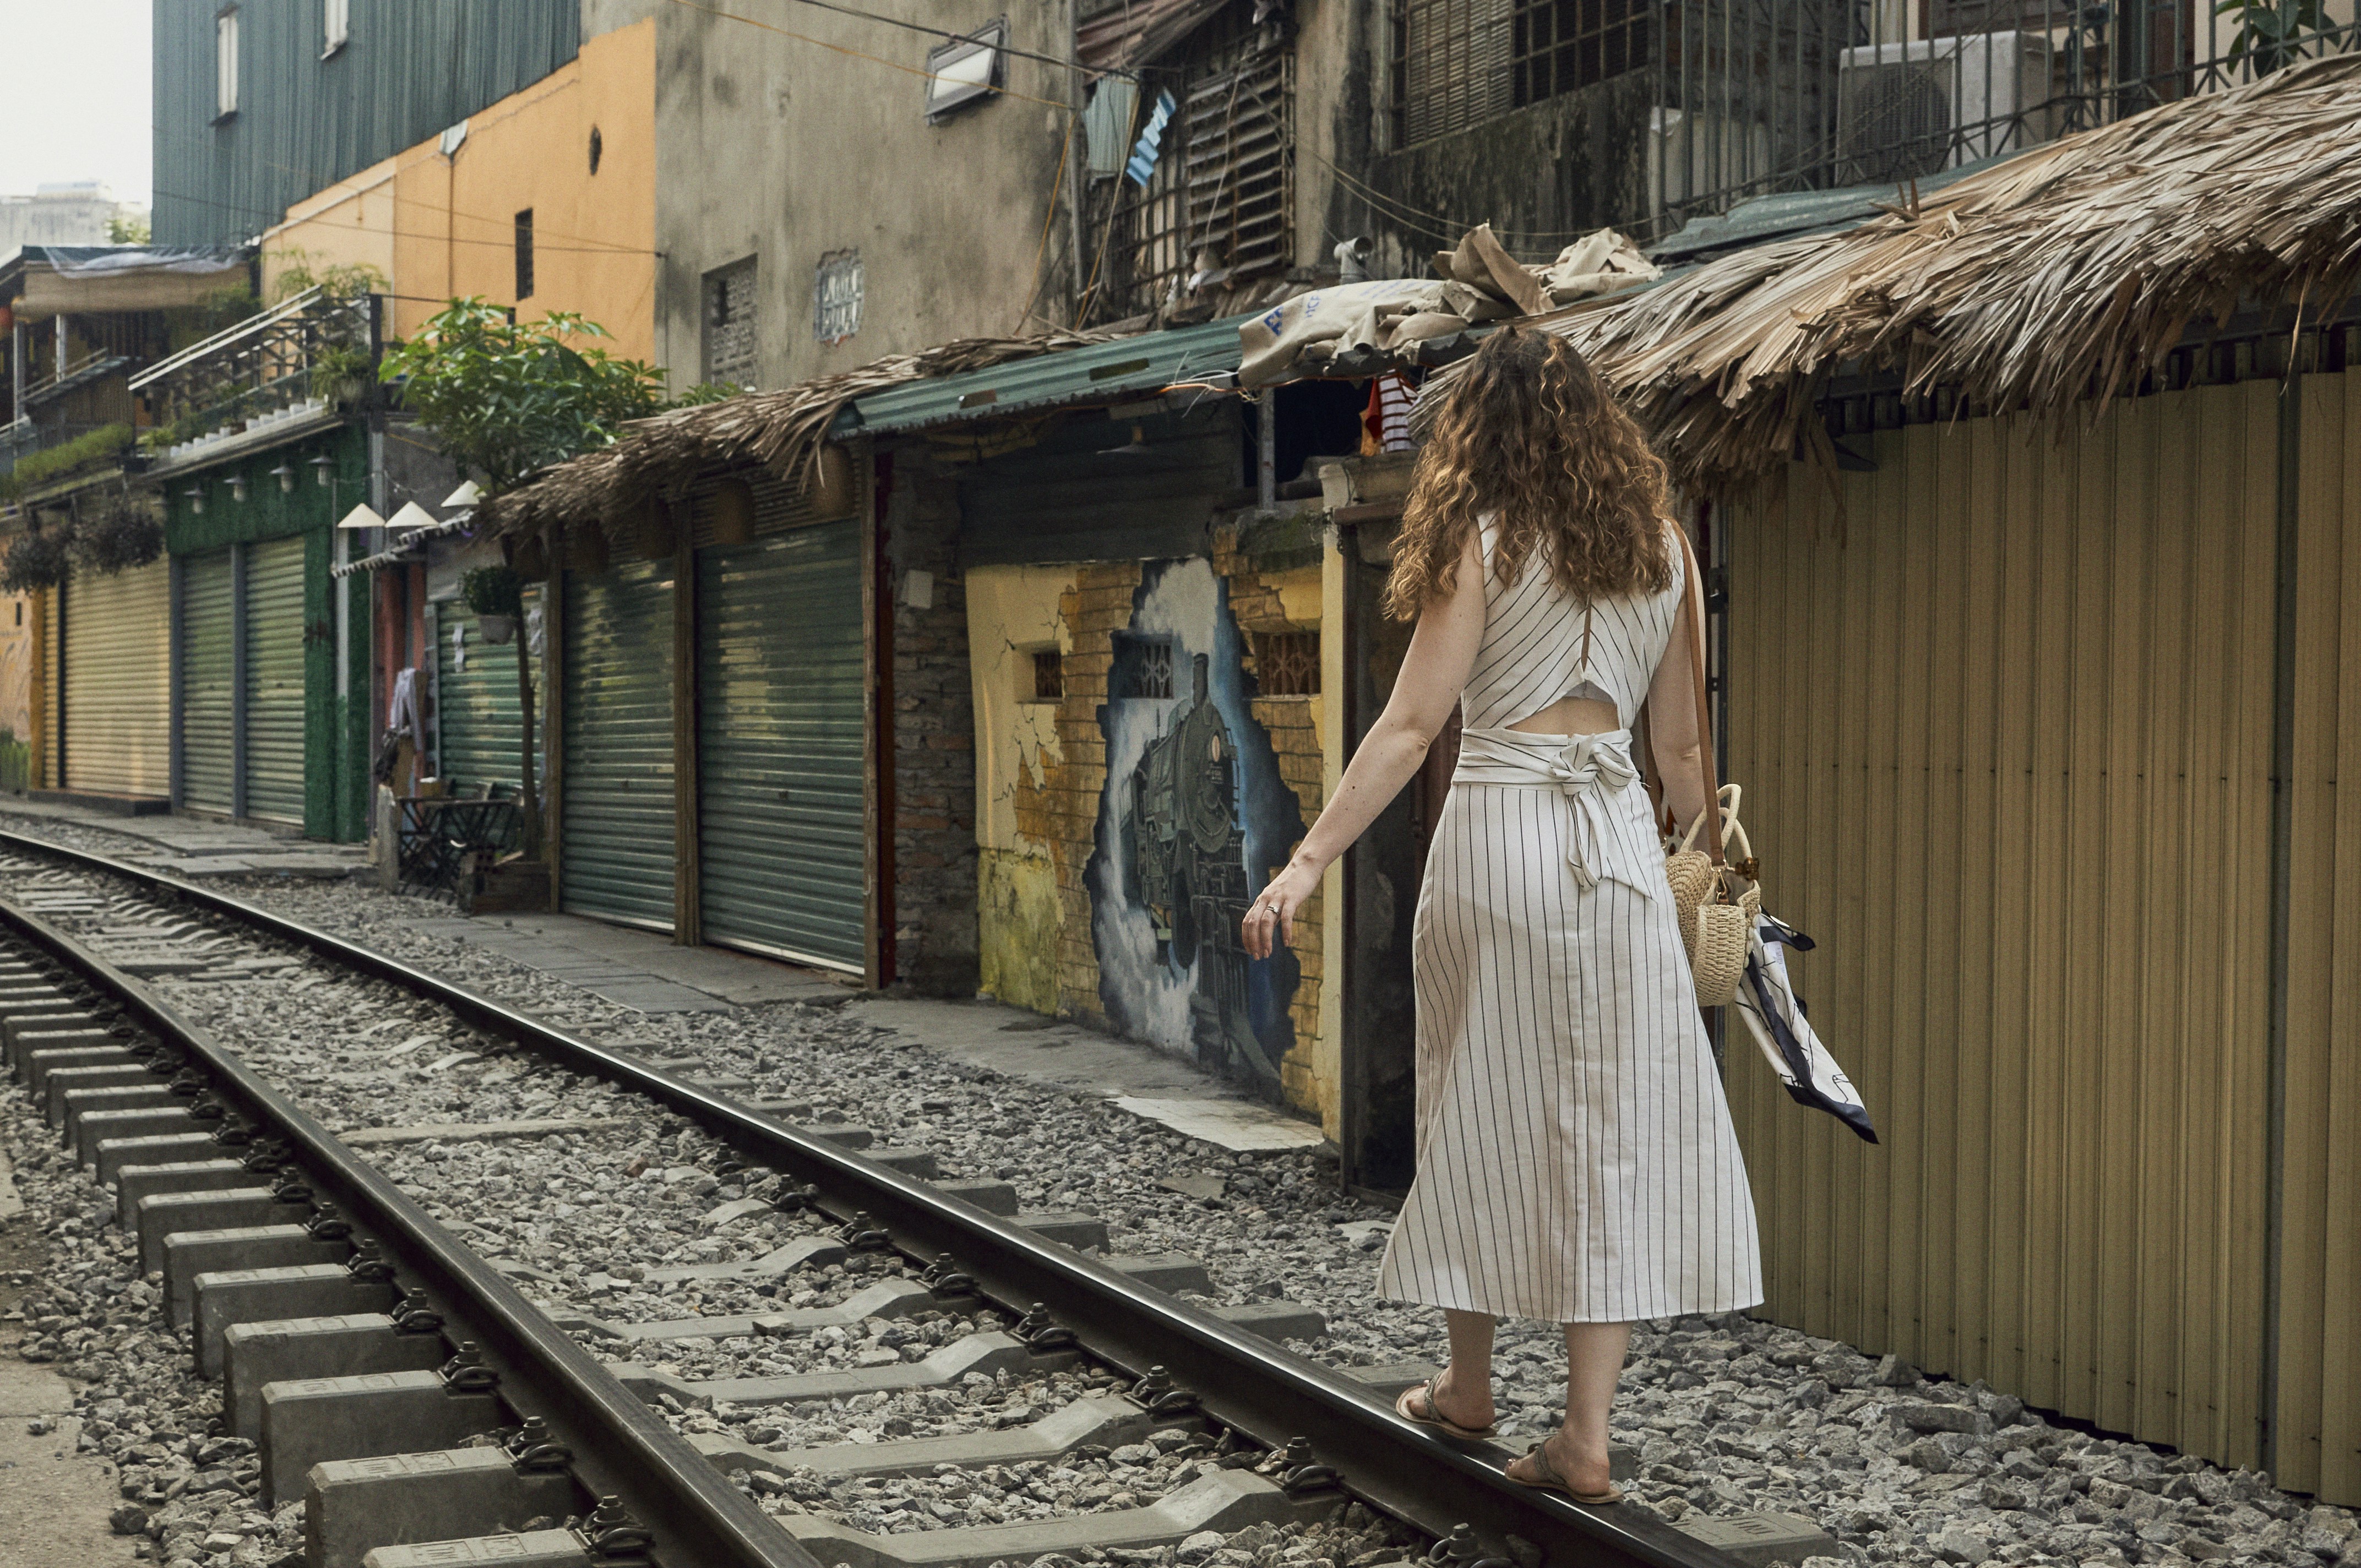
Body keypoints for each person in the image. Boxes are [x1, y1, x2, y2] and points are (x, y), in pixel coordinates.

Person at [1242, 327, 1762, 1502]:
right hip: (1622, 852)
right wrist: (1707, 874)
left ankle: (1468, 1381)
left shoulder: (1479, 542)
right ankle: (1585, 1431)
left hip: (1499, 840)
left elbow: (1411, 727)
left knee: (1472, 1099)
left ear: (1478, 431)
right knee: (1608, 1127)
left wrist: (1309, 858)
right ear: (1601, 432)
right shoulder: (1666, 552)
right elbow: (1680, 752)